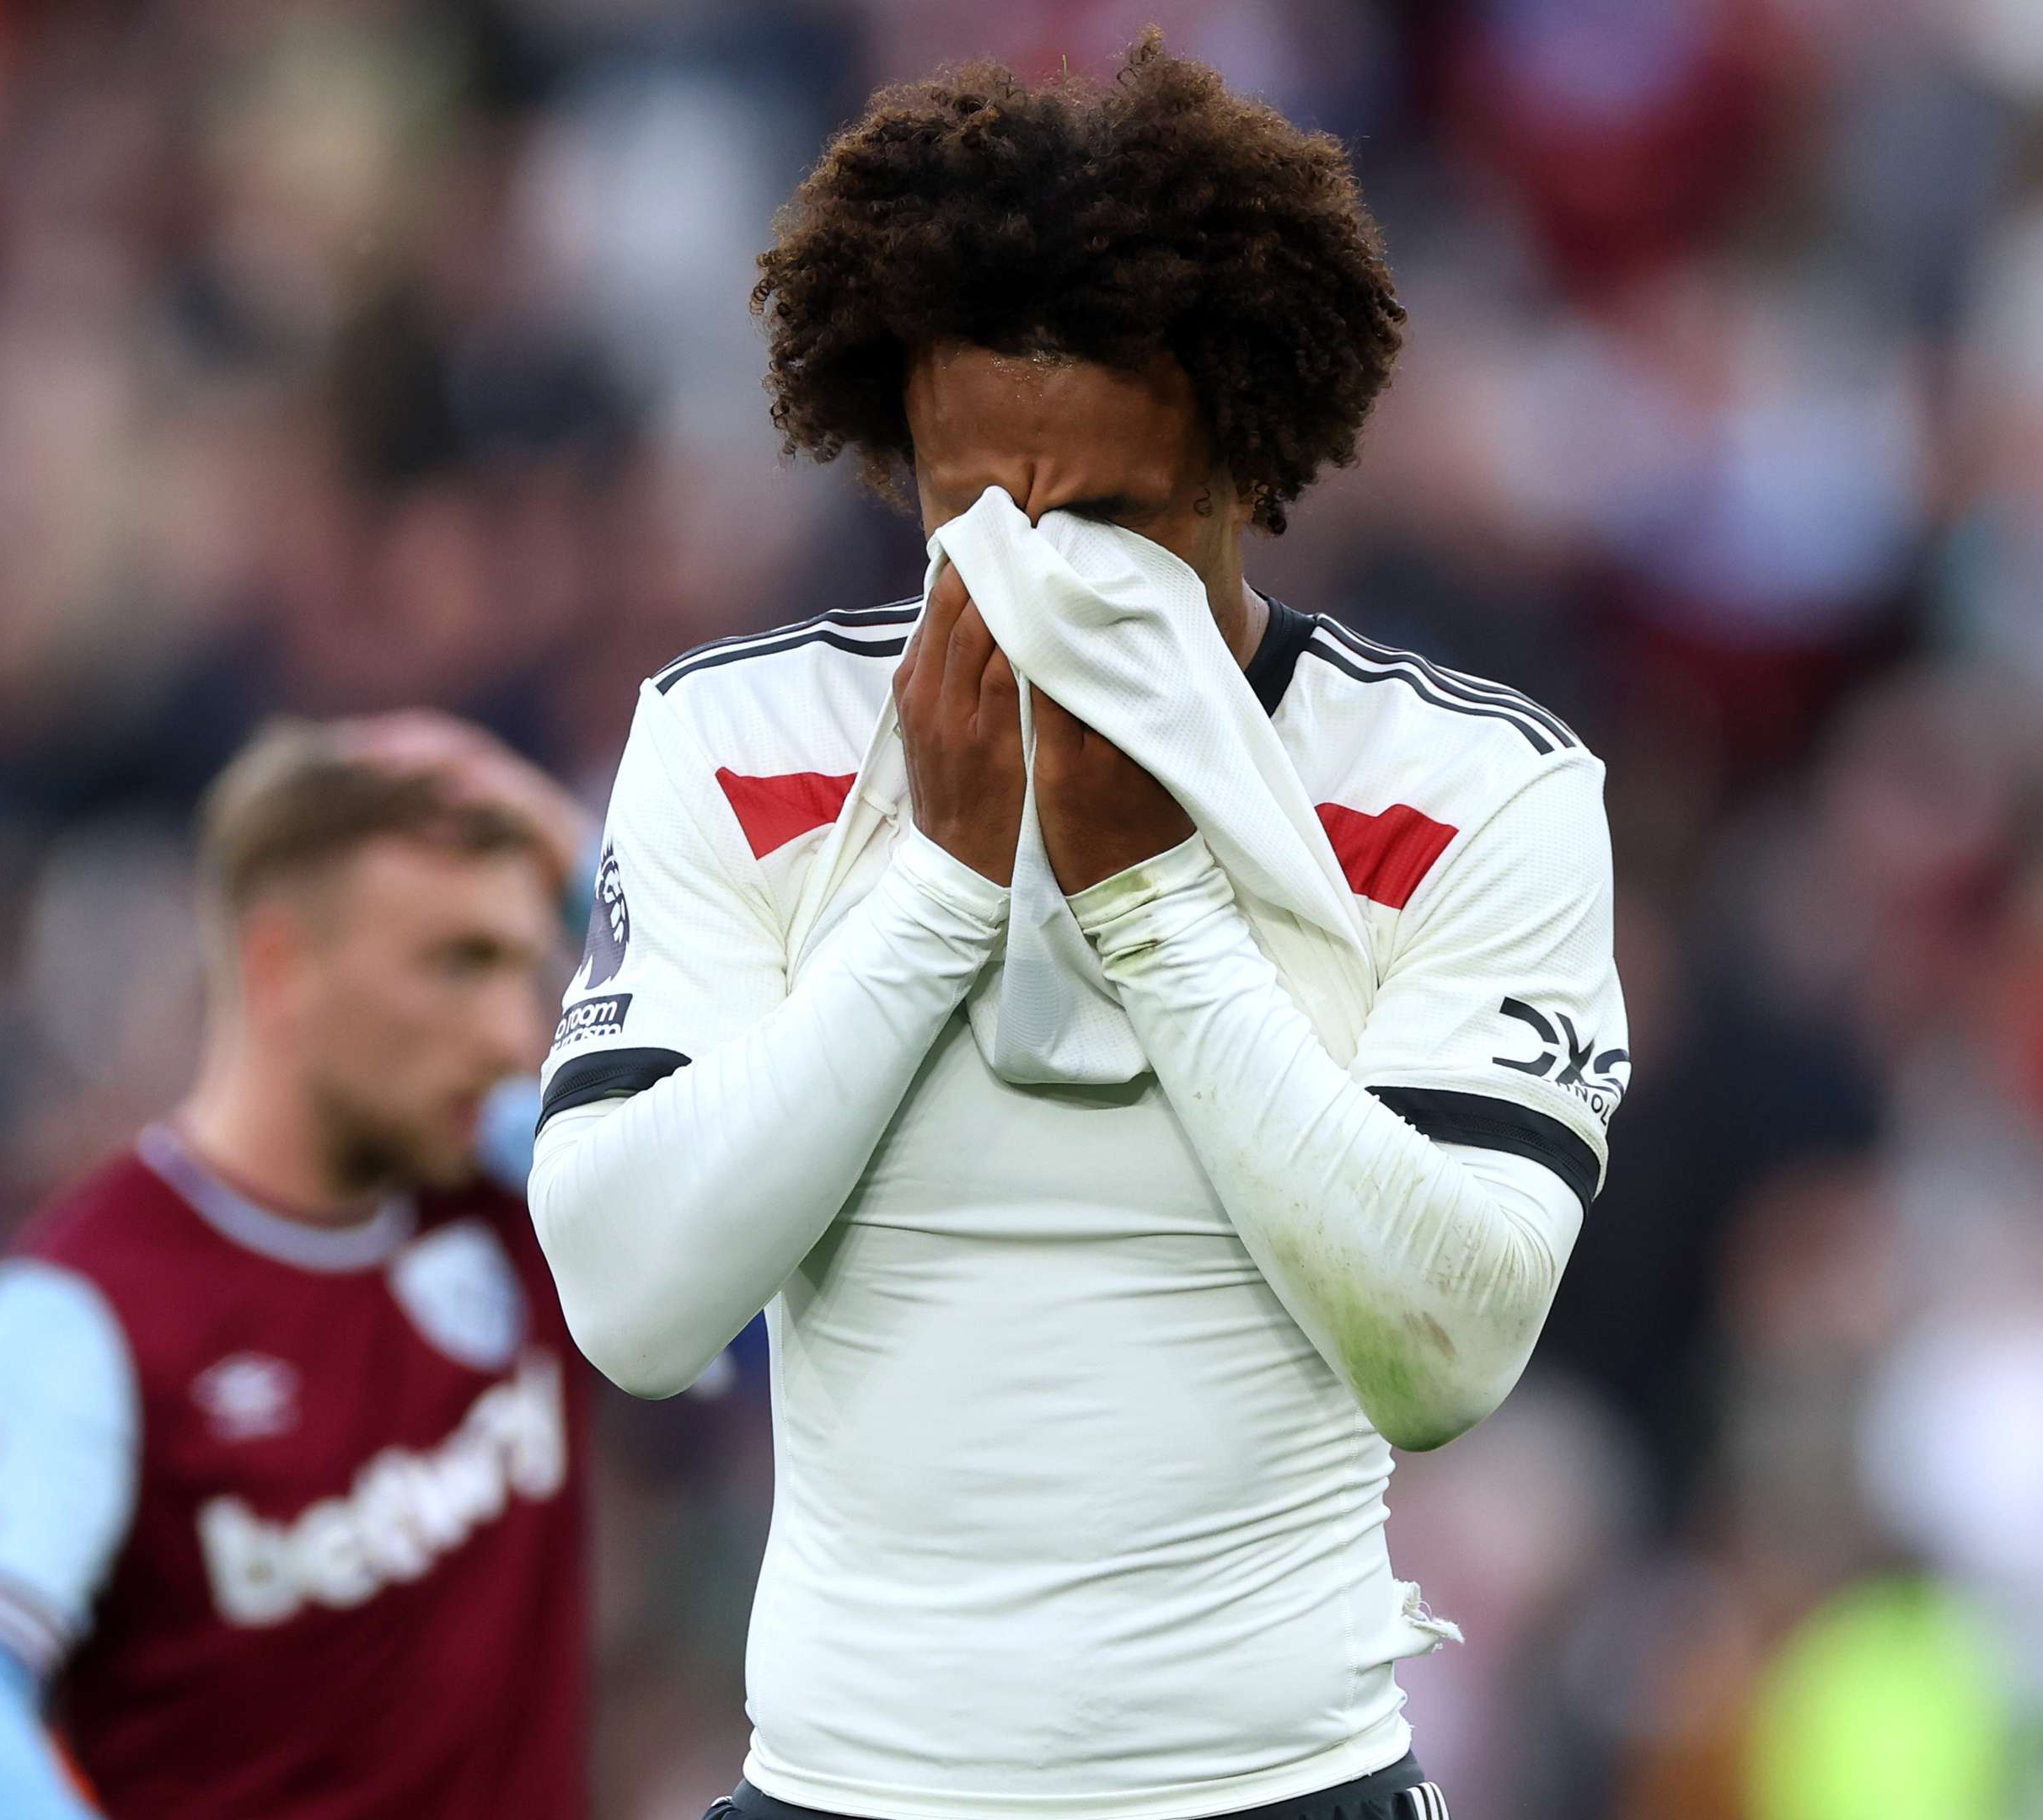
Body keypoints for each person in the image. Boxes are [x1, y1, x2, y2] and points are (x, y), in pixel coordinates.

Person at [531, 36, 1627, 1820]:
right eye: (973, 511)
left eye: (1110, 518)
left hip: (1280, 1786)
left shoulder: (1466, 787)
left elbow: (1447, 1349)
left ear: (1245, 467)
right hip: (845, 1789)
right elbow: (633, 1303)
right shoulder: (740, 742)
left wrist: (1155, 905)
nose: (1036, 572)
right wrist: (942, 895)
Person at [0, 714, 591, 1819]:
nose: (510, 1033)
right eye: (458, 965)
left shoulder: (533, 1184)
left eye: (524, 968)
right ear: (280, 968)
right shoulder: (89, 1305)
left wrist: (582, 861)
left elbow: (784, 1211)